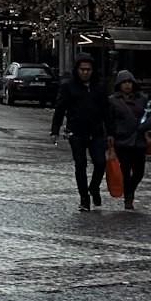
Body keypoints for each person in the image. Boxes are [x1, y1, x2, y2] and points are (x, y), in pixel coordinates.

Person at [49, 53, 110, 211]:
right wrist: (54, 130)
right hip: (76, 131)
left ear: (92, 70)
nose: (85, 72)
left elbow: (106, 111)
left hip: (96, 131)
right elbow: (60, 109)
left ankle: (94, 187)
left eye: (88, 69)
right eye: (82, 69)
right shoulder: (68, 86)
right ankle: (84, 198)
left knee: (100, 162)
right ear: (77, 70)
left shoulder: (100, 86)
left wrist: (110, 132)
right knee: (80, 164)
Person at [108, 70, 151, 210]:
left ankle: (130, 190)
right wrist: (109, 137)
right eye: (124, 83)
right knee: (125, 171)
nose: (127, 85)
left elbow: (150, 115)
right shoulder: (112, 101)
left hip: (139, 141)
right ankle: (129, 196)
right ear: (119, 85)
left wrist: (145, 125)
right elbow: (109, 120)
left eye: (129, 82)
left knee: (139, 171)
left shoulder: (143, 99)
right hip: (122, 141)